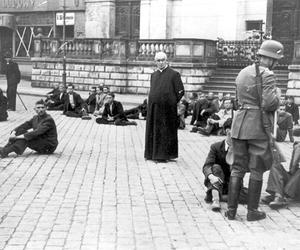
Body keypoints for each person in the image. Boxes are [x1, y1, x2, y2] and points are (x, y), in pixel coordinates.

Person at [226, 40, 283, 221]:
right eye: (277, 60)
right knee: (256, 168)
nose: (277, 64)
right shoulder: (268, 74)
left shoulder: (243, 72)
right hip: (257, 126)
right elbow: (269, 103)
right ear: (272, 59)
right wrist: (278, 98)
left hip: (239, 124)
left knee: (237, 168)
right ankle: (252, 211)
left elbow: (237, 100)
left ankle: (231, 211)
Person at [144, 51, 184, 162]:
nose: (160, 62)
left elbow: (180, 91)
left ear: (166, 61)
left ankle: (164, 155)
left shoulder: (174, 74)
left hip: (167, 110)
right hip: (154, 108)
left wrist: (172, 101)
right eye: (158, 60)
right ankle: (151, 153)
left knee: (165, 131)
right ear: (155, 62)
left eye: (162, 60)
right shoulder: (154, 75)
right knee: (153, 130)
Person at [203, 121, 247, 211]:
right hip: (217, 179)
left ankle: (216, 195)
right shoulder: (216, 147)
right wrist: (211, 177)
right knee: (216, 167)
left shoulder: (241, 148)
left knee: (249, 196)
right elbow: (207, 166)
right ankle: (216, 200)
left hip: (233, 184)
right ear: (228, 131)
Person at [262, 142, 300, 209]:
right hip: (295, 183)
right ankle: (278, 195)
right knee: (275, 166)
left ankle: (281, 194)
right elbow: (292, 170)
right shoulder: (298, 146)